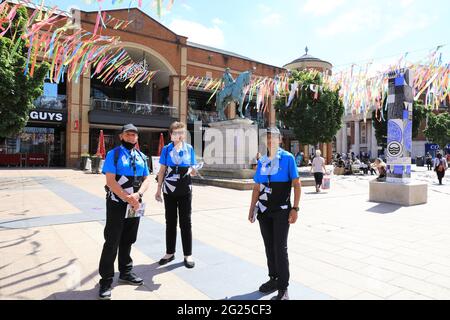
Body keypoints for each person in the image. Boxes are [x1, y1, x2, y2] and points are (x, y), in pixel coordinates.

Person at [98, 124, 151, 300]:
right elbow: (111, 181)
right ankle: (106, 279)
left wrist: (138, 195)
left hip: (135, 204)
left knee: (128, 239)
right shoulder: (114, 155)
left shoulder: (141, 156)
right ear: (121, 136)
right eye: (128, 135)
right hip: (117, 203)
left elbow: (146, 179)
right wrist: (127, 197)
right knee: (112, 240)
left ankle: (125, 272)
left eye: (134, 135)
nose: (131, 137)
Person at [248, 127, 301, 300]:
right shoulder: (262, 161)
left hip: (281, 211)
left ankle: (283, 287)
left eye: (274, 138)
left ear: (280, 139)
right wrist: (251, 208)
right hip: (263, 211)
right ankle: (273, 278)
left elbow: (297, 184)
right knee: (269, 246)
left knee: (280, 248)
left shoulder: (287, 158)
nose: (271, 141)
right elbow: (256, 187)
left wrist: (295, 208)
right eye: (268, 138)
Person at [155, 122, 198, 269]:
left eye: (181, 132)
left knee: (186, 221)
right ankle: (169, 252)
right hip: (169, 189)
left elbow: (193, 168)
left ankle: (188, 254)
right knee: (170, 221)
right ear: (171, 134)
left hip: (185, 188)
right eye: (176, 132)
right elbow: (162, 170)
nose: (179, 135)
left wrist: (194, 170)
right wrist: (158, 189)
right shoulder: (166, 149)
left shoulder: (189, 149)